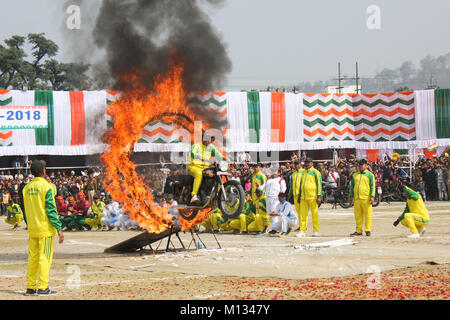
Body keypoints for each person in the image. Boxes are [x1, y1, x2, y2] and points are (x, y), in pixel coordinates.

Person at [23, 160, 63, 296]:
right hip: (45, 229)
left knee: (33, 258)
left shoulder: (26, 188)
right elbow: (51, 210)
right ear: (44, 171)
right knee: (45, 258)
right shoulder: (47, 187)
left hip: (32, 228)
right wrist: (59, 228)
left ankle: (30, 287)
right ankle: (42, 287)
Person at [188, 134, 224, 204]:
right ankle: (194, 195)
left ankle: (214, 194)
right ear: (203, 139)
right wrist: (199, 157)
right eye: (207, 140)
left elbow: (217, 155)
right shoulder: (196, 146)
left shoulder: (211, 147)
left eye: (210, 140)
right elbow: (192, 153)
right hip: (194, 166)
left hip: (205, 167)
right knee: (199, 174)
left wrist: (226, 159)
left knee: (216, 174)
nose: (209, 142)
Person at [349, 159, 376, 237]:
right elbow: (352, 187)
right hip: (357, 199)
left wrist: (372, 196)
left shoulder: (370, 175)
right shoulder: (355, 175)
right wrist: (351, 196)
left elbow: (372, 186)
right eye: (359, 165)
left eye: (362, 165)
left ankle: (368, 230)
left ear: (366, 165)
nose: (360, 166)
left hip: (366, 198)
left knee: (368, 215)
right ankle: (358, 231)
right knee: (358, 216)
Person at [297, 158, 322, 237]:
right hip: (303, 198)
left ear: (312, 163)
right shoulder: (303, 172)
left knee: (314, 214)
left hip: (313, 197)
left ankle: (316, 230)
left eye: (308, 163)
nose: (306, 164)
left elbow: (319, 185)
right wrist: (299, 195)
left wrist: (319, 196)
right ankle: (302, 230)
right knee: (302, 215)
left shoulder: (316, 173)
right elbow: (301, 185)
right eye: (305, 163)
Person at [289, 160, 304, 230]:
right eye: (295, 165)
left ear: (301, 164)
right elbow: (292, 186)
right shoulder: (293, 174)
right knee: (298, 211)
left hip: (301, 195)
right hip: (295, 195)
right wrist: (289, 194)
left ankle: (303, 226)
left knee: (302, 211)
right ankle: (301, 225)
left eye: (298, 164)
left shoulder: (304, 172)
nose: (297, 166)